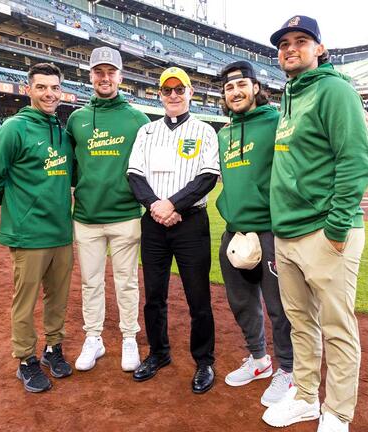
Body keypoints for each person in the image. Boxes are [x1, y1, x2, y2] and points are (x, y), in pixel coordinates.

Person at [260, 16, 368, 432]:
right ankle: (306, 397)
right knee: (300, 323)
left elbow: (356, 161)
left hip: (325, 232)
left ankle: (338, 413)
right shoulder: (289, 96)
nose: (291, 48)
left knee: (337, 326)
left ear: (319, 49)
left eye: (301, 41)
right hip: (287, 234)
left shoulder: (334, 90)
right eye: (284, 43)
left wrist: (338, 228)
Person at [0, 63, 75, 394]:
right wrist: (18, 206)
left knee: (57, 298)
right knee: (25, 301)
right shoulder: (14, 128)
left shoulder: (62, 133)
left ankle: (53, 349)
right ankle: (25, 360)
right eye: (42, 87)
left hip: (61, 232)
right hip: (29, 234)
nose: (49, 93)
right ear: (28, 89)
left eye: (54, 88)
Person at [127, 67, 220, 394]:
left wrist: (172, 206)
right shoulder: (147, 132)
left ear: (190, 92)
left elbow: (207, 176)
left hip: (191, 223)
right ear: (160, 95)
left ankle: (204, 360)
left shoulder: (205, 130)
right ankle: (159, 353)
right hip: (154, 224)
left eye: (179, 89)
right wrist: (157, 206)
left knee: (198, 297)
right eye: (167, 90)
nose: (174, 95)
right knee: (154, 296)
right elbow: (134, 175)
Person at [65, 47, 150, 373]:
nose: (105, 77)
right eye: (98, 72)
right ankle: (94, 338)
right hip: (86, 217)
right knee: (91, 282)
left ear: (120, 76)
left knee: (127, 282)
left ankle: (129, 337)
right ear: (90, 76)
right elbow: (73, 168)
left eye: (110, 72)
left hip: (126, 214)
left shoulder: (137, 119)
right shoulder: (77, 119)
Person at [215, 61, 295, 407]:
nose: (235, 92)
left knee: (279, 307)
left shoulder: (276, 122)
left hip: (268, 230)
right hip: (234, 231)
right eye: (229, 88)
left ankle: (288, 371)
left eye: (241, 85)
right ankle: (260, 360)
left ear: (255, 87)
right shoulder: (223, 133)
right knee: (241, 303)